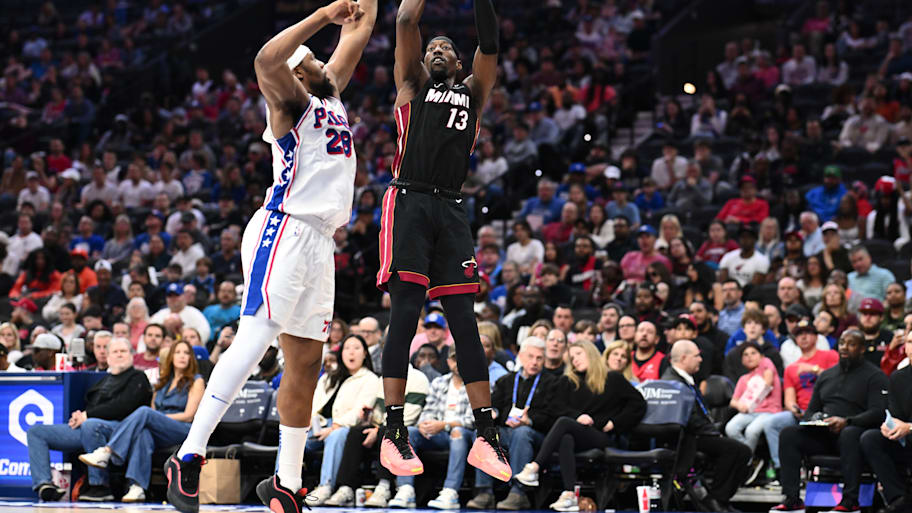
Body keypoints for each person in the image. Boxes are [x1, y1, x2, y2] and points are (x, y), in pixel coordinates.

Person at [165, 2, 378, 512]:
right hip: (282, 228)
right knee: (257, 337)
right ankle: (189, 455)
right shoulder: (289, 102)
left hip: (320, 241)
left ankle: (286, 482)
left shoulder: (331, 97)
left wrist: (358, 9)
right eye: (312, 63)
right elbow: (265, 61)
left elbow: (363, 25)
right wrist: (325, 13)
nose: (325, 65)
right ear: (300, 73)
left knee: (305, 361)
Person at [374, 0, 510, 484]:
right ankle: (394, 429)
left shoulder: (474, 90)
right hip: (408, 200)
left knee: (465, 323)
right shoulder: (411, 86)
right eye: (431, 47)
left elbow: (490, 44)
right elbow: (407, 20)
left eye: (446, 48)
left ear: (458, 64)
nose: (436, 49)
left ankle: (486, 435)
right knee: (406, 313)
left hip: (451, 208)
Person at [514, 341, 646, 512]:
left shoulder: (612, 378)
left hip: (601, 437)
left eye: (579, 354)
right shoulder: (568, 382)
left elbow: (638, 404)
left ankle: (534, 467)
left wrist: (615, 422)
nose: (575, 359)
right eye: (572, 357)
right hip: (576, 435)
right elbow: (555, 407)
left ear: (590, 353)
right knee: (565, 437)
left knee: (564, 423)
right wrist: (577, 417)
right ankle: (569, 495)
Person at [771, 330, 889, 513]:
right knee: (789, 433)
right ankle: (792, 498)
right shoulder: (826, 376)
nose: (844, 347)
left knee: (849, 433)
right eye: (842, 343)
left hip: (856, 433)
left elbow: (878, 412)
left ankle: (850, 500)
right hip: (825, 434)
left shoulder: (875, 376)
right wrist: (815, 419)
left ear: (862, 349)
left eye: (851, 344)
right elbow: (811, 410)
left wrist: (847, 421)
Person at [26, 338, 151, 502]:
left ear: (131, 355)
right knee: (36, 432)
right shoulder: (102, 380)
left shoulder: (138, 377)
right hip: (88, 427)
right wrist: (79, 415)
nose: (119, 355)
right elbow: (91, 406)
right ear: (107, 357)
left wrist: (87, 415)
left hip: (121, 429)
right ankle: (44, 484)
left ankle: (99, 486)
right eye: (115, 351)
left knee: (91, 425)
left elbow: (124, 406)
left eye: (123, 351)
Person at [78, 340, 204, 502]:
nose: (182, 356)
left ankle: (107, 452)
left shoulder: (196, 381)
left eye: (186, 353)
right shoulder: (163, 382)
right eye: (178, 352)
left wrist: (157, 418)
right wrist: (155, 418)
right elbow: (154, 410)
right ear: (171, 357)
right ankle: (137, 487)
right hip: (159, 427)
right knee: (143, 434)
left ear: (191, 358)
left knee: (145, 413)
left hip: (183, 429)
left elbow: (189, 415)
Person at [468, 336, 558, 510]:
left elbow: (552, 415)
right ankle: (485, 492)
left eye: (539, 358)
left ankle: (518, 493)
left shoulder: (552, 382)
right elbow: (493, 404)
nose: (534, 362)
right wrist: (493, 412)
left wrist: (530, 420)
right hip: (507, 430)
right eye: (530, 357)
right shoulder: (507, 380)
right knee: (483, 434)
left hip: (536, 434)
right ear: (521, 357)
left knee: (522, 433)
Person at [662, 341, 751, 512]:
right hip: (688, 438)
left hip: (699, 432)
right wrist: (712, 432)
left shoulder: (684, 379)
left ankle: (720, 500)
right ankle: (716, 499)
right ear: (683, 358)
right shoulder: (672, 382)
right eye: (697, 356)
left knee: (740, 447)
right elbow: (687, 419)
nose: (701, 359)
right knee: (737, 450)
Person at [387, 346, 475, 509]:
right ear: (449, 362)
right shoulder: (439, 382)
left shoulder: (478, 384)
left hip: (464, 434)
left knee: (457, 433)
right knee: (407, 432)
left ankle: (450, 492)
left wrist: (444, 425)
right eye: (455, 359)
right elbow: (428, 411)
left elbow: (473, 420)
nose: (459, 363)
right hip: (438, 434)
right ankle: (406, 489)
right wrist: (425, 424)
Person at [307, 334, 380, 504]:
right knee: (291, 437)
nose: (351, 353)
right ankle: (284, 485)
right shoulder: (327, 378)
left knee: (336, 436)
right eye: (347, 348)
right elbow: (313, 404)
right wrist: (311, 421)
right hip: (319, 425)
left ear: (365, 354)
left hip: (346, 426)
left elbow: (361, 410)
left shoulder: (370, 379)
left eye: (356, 348)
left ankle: (325, 486)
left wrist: (335, 426)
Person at [860, 330, 912, 513]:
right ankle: (897, 498)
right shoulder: (898, 377)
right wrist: (889, 427)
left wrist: (909, 427)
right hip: (906, 440)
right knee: (870, 438)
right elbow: (895, 414)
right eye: (910, 342)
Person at [724, 342, 782, 477]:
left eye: (753, 353)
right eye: (745, 355)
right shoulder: (744, 379)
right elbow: (733, 400)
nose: (749, 357)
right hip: (749, 412)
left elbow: (767, 384)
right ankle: (752, 457)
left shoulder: (767, 366)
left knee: (752, 430)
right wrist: (740, 406)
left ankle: (746, 463)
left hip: (769, 411)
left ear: (761, 356)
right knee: (730, 428)